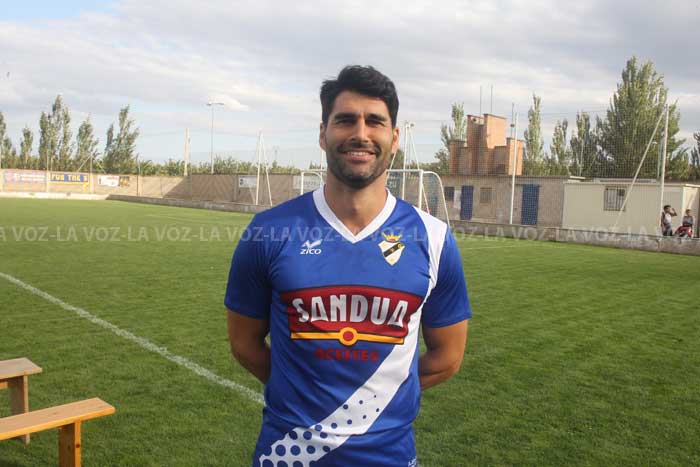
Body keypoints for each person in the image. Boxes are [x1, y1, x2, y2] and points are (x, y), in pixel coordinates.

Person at [225, 65, 471, 467]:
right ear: (323, 133)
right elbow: (244, 344)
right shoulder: (268, 231)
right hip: (288, 456)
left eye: (374, 121)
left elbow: (449, 356)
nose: (360, 133)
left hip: (390, 458)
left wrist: (378, 403)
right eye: (345, 120)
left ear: (394, 138)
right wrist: (298, 393)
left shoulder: (434, 238)